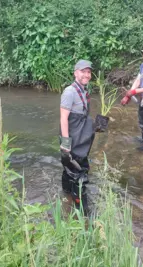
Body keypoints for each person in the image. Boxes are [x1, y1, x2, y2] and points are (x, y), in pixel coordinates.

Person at [59, 60, 96, 212]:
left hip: (81, 136)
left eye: (88, 72)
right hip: (73, 138)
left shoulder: (83, 90)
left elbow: (81, 117)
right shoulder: (70, 92)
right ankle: (83, 210)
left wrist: (94, 126)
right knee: (79, 171)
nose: (86, 75)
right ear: (75, 73)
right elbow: (63, 118)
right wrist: (66, 143)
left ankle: (66, 194)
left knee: (69, 169)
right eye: (83, 71)